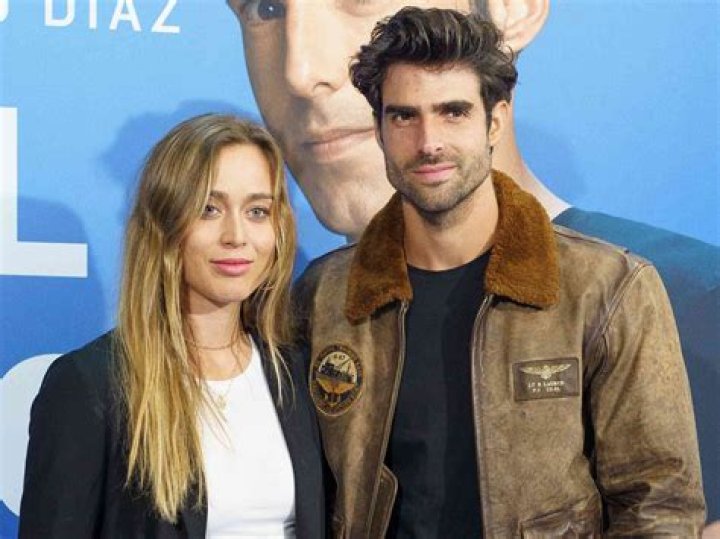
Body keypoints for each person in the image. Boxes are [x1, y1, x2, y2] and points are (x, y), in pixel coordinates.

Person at [228, 0, 720, 522]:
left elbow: (657, 502)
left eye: (453, 112)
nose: (429, 142)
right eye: (404, 116)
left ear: (495, 120)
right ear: (382, 128)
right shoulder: (323, 296)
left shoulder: (609, 287)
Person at [18, 114, 324, 538]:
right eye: (209, 209)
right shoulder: (91, 385)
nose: (236, 235)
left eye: (257, 211)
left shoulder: (296, 372)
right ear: (165, 225)